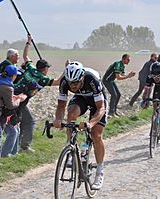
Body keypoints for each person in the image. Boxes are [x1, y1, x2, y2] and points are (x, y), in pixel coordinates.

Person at [53, 61, 107, 190]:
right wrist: (58, 119)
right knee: (71, 114)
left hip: (97, 101)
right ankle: (70, 147)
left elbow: (101, 109)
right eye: (71, 83)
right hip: (81, 97)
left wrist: (90, 123)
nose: (73, 86)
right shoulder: (65, 82)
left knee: (96, 134)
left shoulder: (92, 80)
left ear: (82, 78)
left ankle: (100, 170)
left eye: (76, 83)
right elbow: (61, 106)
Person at [13, 34, 61, 153]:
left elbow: (25, 56)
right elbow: (58, 82)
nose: (48, 70)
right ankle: (24, 147)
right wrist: (67, 68)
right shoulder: (43, 79)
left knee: (21, 121)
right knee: (29, 122)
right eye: (47, 68)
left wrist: (28, 42)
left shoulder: (31, 68)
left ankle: (17, 145)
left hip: (12, 93)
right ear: (45, 69)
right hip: (19, 100)